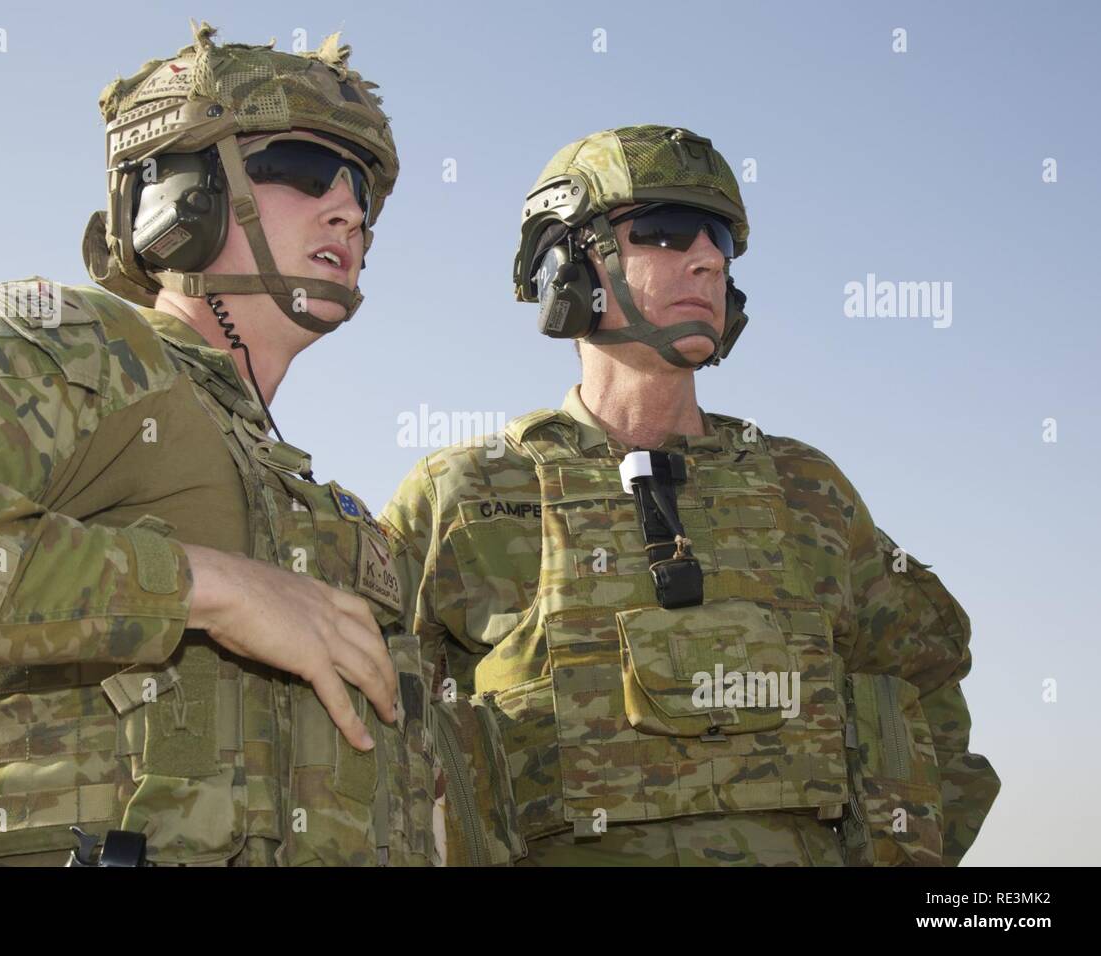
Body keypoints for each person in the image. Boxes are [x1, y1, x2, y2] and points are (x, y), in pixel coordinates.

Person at [0, 20, 444, 867]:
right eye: (301, 169)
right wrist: (204, 587)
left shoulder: (302, 490)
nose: (349, 208)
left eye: (361, 186)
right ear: (182, 195)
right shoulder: (89, 345)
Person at [381, 125, 1000, 866]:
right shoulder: (466, 494)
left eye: (720, 242)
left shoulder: (810, 492)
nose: (708, 259)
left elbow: (927, 691)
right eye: (669, 233)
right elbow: (364, 735)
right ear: (569, 264)